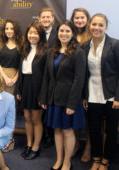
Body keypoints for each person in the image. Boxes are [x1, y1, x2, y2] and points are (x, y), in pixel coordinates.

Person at [40, 20, 86, 170]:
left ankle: (67, 162)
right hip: (54, 98)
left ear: (73, 33)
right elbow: (47, 77)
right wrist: (44, 97)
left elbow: (79, 80)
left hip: (69, 100)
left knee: (67, 131)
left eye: (67, 31)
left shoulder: (78, 52)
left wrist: (72, 104)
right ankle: (59, 159)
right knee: (57, 130)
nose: (64, 34)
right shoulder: (51, 51)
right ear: (57, 33)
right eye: (61, 31)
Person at [81, 13, 119, 170]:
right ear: (90, 25)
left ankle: (106, 160)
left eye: (100, 25)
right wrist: (84, 96)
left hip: (111, 95)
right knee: (94, 129)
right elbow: (84, 74)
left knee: (110, 130)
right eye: (94, 24)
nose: (96, 28)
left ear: (106, 27)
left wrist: (118, 96)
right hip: (92, 93)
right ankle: (96, 158)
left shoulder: (115, 44)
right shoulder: (85, 46)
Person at [17, 22, 47, 160]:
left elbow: (47, 76)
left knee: (36, 119)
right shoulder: (24, 49)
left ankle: (36, 147)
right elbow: (21, 71)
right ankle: (29, 145)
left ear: (41, 35)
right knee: (27, 118)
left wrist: (43, 94)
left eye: (36, 33)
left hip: (38, 88)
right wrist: (19, 90)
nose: (33, 36)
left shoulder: (45, 51)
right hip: (25, 86)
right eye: (30, 33)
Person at [0, 19, 21, 152]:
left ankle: (9, 139)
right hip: (0, 78)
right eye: (7, 29)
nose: (9, 31)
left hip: (15, 79)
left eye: (11, 28)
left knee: (11, 110)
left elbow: (23, 64)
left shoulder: (21, 44)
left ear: (15, 30)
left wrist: (15, 78)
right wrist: (4, 77)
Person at [70, 7, 92, 162]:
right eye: (76, 18)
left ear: (87, 19)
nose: (79, 20)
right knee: (76, 115)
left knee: (90, 117)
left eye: (82, 18)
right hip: (73, 82)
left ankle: (89, 147)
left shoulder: (93, 34)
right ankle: (76, 143)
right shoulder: (69, 35)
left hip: (90, 81)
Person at [38, 7, 57, 148]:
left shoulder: (59, 34)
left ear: (53, 19)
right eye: (43, 17)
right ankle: (43, 134)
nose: (46, 19)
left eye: (48, 17)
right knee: (39, 106)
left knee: (49, 106)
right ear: (39, 19)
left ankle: (50, 135)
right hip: (37, 75)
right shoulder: (35, 33)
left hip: (52, 76)